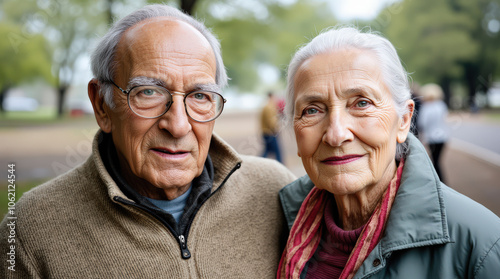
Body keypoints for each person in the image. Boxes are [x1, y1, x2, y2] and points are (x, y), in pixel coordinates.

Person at [0, 5, 296, 278]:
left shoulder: (275, 193)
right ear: (102, 106)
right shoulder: (30, 229)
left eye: (199, 96)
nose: (178, 126)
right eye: (148, 93)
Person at [277, 27, 500, 278]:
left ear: (403, 120)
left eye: (362, 103)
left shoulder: (480, 244)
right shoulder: (279, 223)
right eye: (312, 110)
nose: (336, 134)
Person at [417, 83, 449, 183]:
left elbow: (422, 122)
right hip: (443, 137)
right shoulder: (441, 105)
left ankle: (440, 182)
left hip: (432, 138)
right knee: (437, 160)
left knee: (435, 161)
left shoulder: (427, 107)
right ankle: (441, 181)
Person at [260, 91, 283, 163]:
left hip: (265, 132)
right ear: (271, 96)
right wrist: (277, 129)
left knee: (267, 151)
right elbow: (271, 122)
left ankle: (259, 162)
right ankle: (281, 166)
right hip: (270, 133)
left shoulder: (265, 106)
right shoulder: (270, 107)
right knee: (277, 152)